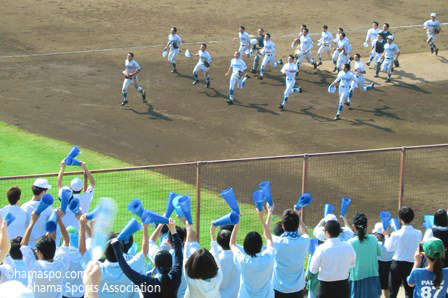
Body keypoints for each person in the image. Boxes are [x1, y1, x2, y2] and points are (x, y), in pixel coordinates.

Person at [112, 219, 183, 297]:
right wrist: (173, 230)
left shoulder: (148, 283)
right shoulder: (176, 277)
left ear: (155, 266)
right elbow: (179, 252)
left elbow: (126, 270)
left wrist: (116, 248)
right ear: (171, 264)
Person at [20, 209, 71, 298]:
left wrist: (32, 221)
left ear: (39, 252)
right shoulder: (61, 264)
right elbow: (66, 240)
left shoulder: (33, 266)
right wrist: (59, 220)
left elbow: (24, 244)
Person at [230, 204, 275, 297]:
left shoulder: (243, 260)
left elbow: (232, 244)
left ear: (245, 247)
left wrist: (236, 223)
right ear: (261, 245)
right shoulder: (269, 257)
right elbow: (269, 239)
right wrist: (262, 218)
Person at [98, 223, 148, 298]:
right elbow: (144, 251)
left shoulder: (97, 269)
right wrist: (145, 226)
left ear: (104, 253)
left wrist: (85, 225)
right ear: (121, 251)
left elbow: (85, 252)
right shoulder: (131, 267)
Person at [309, 220, 356, 298]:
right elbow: (353, 264)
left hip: (325, 287)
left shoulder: (321, 248)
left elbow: (313, 269)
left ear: (326, 232)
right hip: (343, 286)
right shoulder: (348, 246)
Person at [383, 206, 422, 298]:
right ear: (412, 218)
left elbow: (389, 248)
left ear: (399, 219)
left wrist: (386, 236)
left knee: (392, 292)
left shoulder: (395, 234)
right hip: (411, 265)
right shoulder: (418, 233)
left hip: (397, 265)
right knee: (410, 292)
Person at [272, 207, 310, 297]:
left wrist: (269, 213)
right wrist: (298, 216)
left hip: (278, 289)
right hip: (297, 290)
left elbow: (266, 233)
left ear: (282, 226)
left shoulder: (277, 242)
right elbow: (305, 233)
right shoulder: (304, 241)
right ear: (297, 225)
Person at [57, 160, 95, 243]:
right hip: (82, 230)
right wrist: (85, 168)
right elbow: (92, 183)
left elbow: (59, 184)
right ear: (81, 189)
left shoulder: (66, 197)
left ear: (70, 187)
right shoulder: (86, 197)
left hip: (66, 230)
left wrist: (62, 168)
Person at [148, 223, 190, 298]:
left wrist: (160, 225)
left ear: (168, 242)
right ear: (184, 239)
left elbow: (150, 243)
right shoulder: (193, 254)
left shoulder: (163, 257)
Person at [184, 222, 223, 298]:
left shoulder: (189, 278)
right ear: (212, 262)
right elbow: (216, 255)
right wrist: (212, 233)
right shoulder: (219, 276)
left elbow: (186, 255)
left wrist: (188, 233)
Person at [347, 213, 381, 298]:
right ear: (366, 226)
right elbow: (378, 253)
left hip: (356, 278)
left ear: (354, 226)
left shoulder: (350, 242)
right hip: (373, 277)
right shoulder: (374, 239)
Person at [21, 178, 52, 248]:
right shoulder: (48, 208)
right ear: (43, 192)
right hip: (42, 246)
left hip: (27, 245)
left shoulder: (24, 207)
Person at [210, 224, 240, 298]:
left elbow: (214, 250)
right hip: (236, 295)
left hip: (219, 295)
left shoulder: (215, 256)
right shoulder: (240, 254)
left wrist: (212, 232)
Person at [372, 223, 394, 298]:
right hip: (389, 265)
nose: (375, 235)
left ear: (380, 234)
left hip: (380, 265)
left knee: (379, 287)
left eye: (376, 234)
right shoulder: (391, 240)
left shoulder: (376, 243)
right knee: (386, 287)